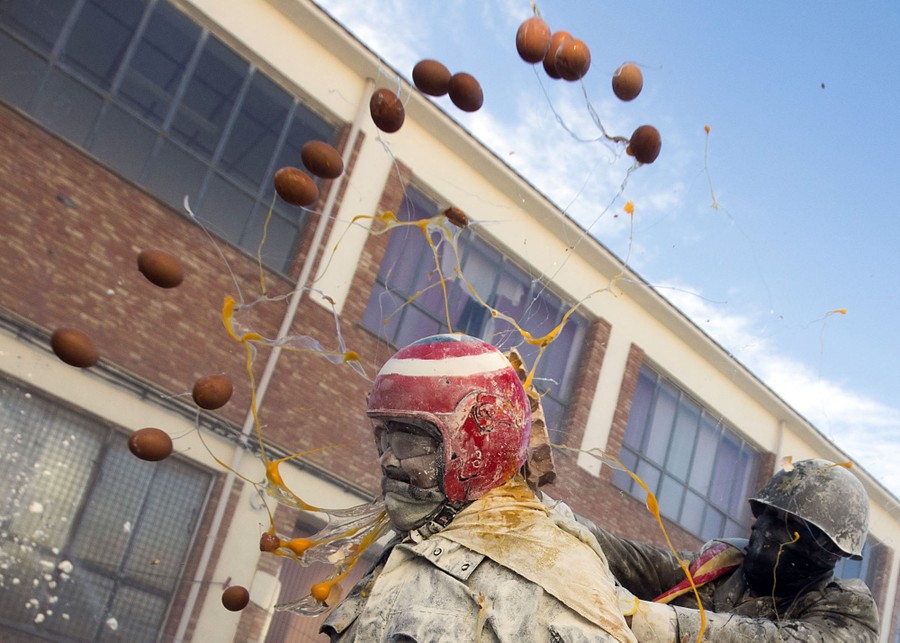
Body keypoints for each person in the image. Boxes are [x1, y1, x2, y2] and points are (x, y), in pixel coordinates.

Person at [321, 333, 636, 642]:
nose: (387, 459)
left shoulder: (556, 571)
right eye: (383, 437)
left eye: (407, 440)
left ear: (474, 448)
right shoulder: (416, 544)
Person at [563, 458, 880, 641]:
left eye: (783, 523)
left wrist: (654, 620)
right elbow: (634, 560)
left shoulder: (849, 613)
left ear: (826, 550)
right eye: (763, 514)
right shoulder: (723, 566)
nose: (761, 529)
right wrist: (550, 514)